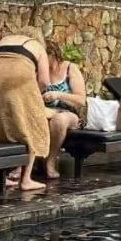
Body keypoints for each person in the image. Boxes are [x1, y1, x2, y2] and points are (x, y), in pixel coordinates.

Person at [0, 30, 51, 192]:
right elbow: (45, 81)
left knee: (2, 123)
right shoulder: (37, 46)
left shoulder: (6, 39)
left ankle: (3, 177)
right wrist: (34, 96)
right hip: (17, 77)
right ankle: (26, 179)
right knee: (33, 125)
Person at [41, 42, 88, 179]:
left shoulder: (69, 68)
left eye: (43, 56)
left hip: (69, 113)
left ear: (53, 55)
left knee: (59, 120)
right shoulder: (41, 72)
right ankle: (23, 165)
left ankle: (50, 161)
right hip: (47, 111)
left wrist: (58, 95)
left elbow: (81, 100)